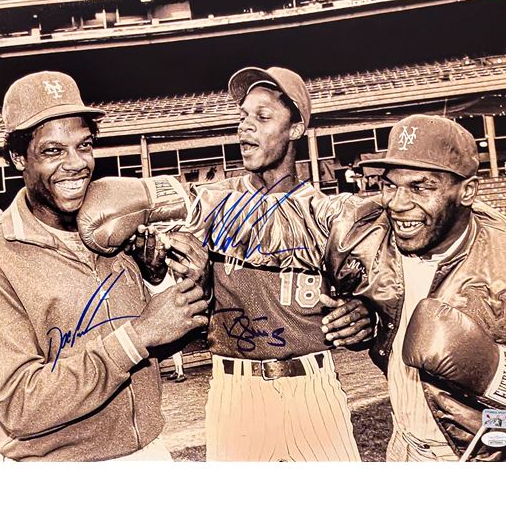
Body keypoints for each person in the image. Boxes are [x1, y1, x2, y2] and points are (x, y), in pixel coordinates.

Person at [79, 66, 374, 462]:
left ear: (296, 129)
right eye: (243, 116)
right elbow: (106, 207)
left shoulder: (329, 215)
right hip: (237, 391)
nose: (245, 127)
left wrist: (364, 315)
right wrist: (159, 274)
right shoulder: (207, 204)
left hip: (313, 387)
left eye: (263, 117)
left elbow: (367, 301)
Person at [0, 71, 208, 461]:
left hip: (145, 455)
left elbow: (159, 348)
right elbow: (20, 406)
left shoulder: (115, 227)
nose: (76, 163)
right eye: (53, 151)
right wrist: (138, 334)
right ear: (18, 157)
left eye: (84, 145)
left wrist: (170, 285)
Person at [328, 114, 506, 461]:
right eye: (389, 185)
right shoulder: (376, 241)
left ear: (467, 191)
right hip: (403, 446)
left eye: (420, 187)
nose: (396, 203)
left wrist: (494, 370)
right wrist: (369, 319)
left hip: (491, 459)